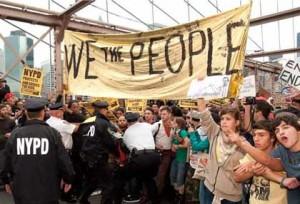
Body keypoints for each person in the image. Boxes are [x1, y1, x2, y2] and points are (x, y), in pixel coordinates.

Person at [0, 98, 74, 204]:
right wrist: (68, 178)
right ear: (43, 112)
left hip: (22, 189)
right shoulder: (52, 133)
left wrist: (6, 180)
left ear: (26, 112)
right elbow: (63, 160)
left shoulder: (16, 134)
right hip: (48, 189)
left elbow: (6, 160)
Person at [229, 114, 300, 204]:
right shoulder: (280, 151)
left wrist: (242, 144)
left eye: (261, 135)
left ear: (272, 138)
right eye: (277, 130)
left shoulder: (281, 153)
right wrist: (254, 168)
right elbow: (237, 177)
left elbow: (270, 162)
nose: (256, 139)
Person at [197, 98, 245, 204]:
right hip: (208, 189)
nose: (224, 122)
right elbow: (203, 112)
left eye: (228, 119)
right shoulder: (215, 131)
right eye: (222, 118)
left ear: (237, 122)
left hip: (230, 197)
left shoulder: (244, 144)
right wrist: (199, 85)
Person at [79, 100, 120, 204]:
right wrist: (117, 154)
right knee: (108, 185)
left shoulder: (86, 121)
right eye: (107, 109)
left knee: (92, 181)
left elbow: (79, 138)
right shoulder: (104, 123)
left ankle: (82, 200)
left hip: (85, 157)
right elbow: (112, 141)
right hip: (99, 157)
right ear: (103, 110)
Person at [122, 112, 161, 203]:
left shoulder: (127, 132)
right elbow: (155, 128)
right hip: (154, 156)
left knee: (131, 175)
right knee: (149, 179)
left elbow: (129, 148)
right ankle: (154, 200)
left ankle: (134, 195)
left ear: (127, 121)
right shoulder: (146, 125)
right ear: (138, 119)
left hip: (140, 157)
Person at [151, 106, 173, 195]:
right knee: (157, 174)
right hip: (157, 153)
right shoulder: (157, 125)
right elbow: (147, 136)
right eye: (161, 114)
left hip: (168, 153)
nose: (162, 116)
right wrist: (155, 144)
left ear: (169, 114)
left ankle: (158, 194)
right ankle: (154, 194)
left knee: (162, 174)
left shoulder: (173, 124)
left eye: (164, 114)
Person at [169, 117, 189, 203]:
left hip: (182, 158)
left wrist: (178, 146)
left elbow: (187, 143)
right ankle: (177, 194)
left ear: (178, 124)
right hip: (176, 158)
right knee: (172, 177)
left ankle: (179, 198)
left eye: (174, 121)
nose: (172, 122)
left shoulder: (183, 131)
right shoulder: (176, 131)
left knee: (179, 179)